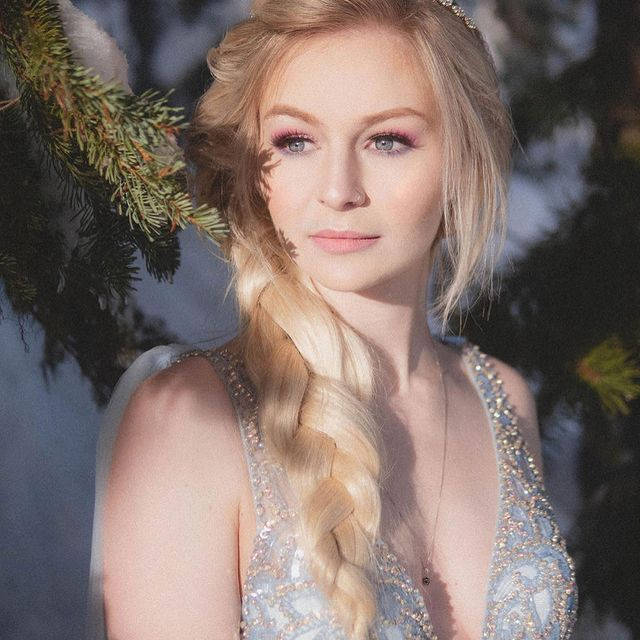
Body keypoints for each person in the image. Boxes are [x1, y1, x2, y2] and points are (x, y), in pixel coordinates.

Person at [86, 0, 579, 638]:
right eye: (296, 141)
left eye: (387, 140)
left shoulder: (503, 400)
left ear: (463, 157)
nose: (339, 189)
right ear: (251, 167)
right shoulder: (187, 421)